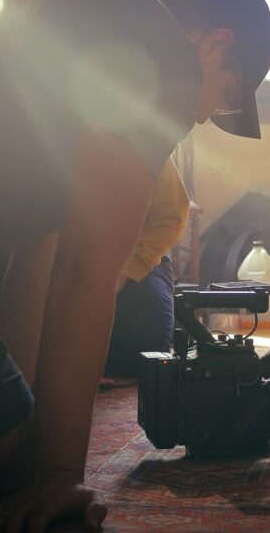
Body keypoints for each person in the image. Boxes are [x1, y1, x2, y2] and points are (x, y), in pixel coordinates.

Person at [0, 0, 270, 532]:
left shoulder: (92, 22)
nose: (203, 116)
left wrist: (21, 414)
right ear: (217, 44)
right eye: (225, 98)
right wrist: (54, 473)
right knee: (0, 452)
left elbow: (41, 261)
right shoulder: (162, 56)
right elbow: (84, 272)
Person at [101, 157, 190, 386]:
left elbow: (170, 217)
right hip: (60, 259)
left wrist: (123, 272)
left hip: (135, 257)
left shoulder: (148, 147)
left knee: (149, 352)